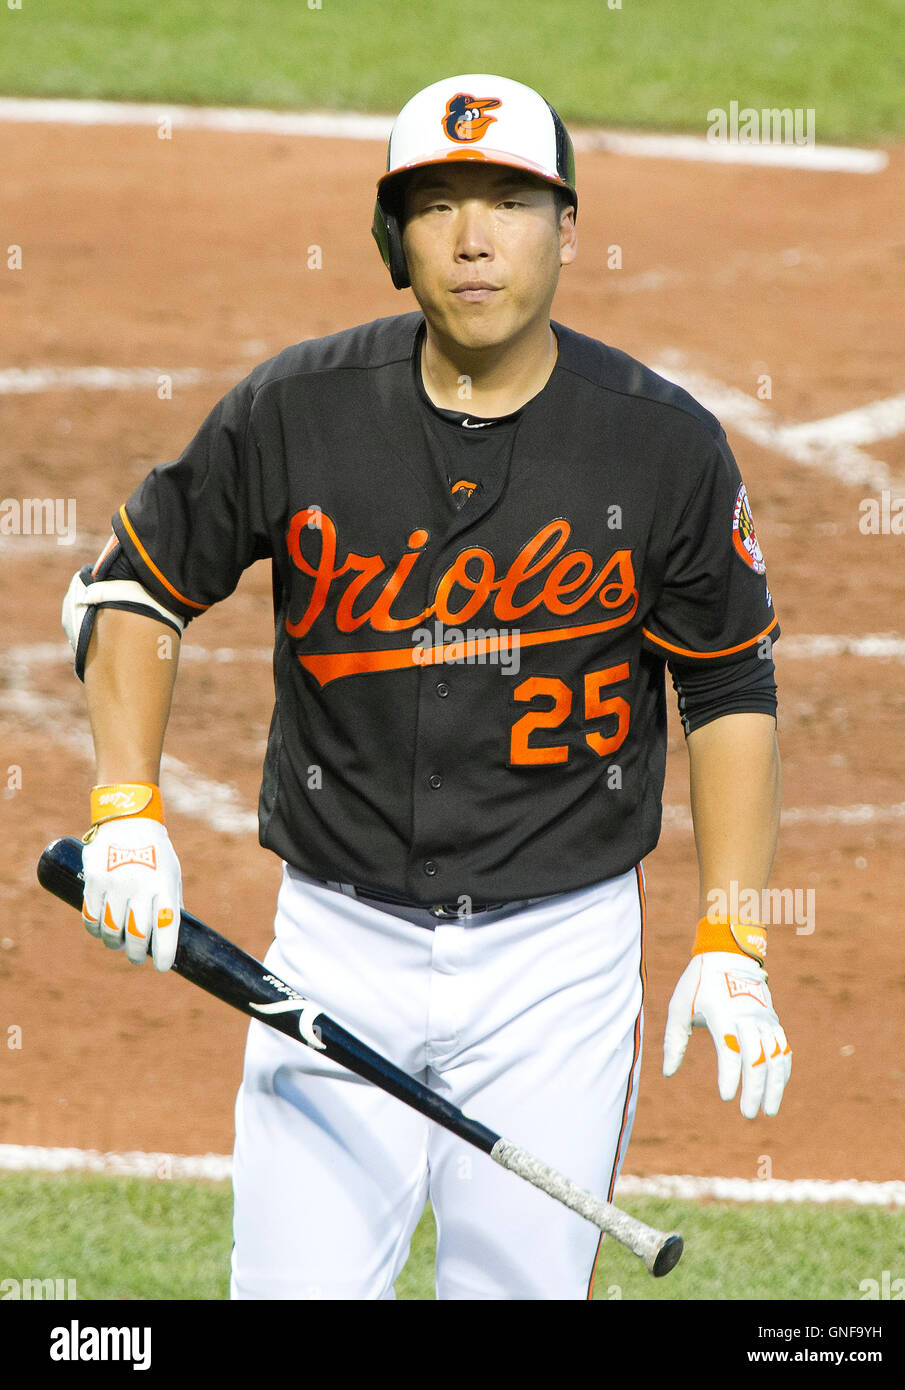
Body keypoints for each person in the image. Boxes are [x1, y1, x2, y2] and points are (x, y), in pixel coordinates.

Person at [63, 73, 791, 1300]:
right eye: (435, 205)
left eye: (507, 201)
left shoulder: (661, 446)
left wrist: (733, 936)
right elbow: (135, 590)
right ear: (389, 242)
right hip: (332, 950)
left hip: (557, 966)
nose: (471, 237)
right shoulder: (294, 412)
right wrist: (124, 812)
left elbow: (727, 693)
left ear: (565, 226)